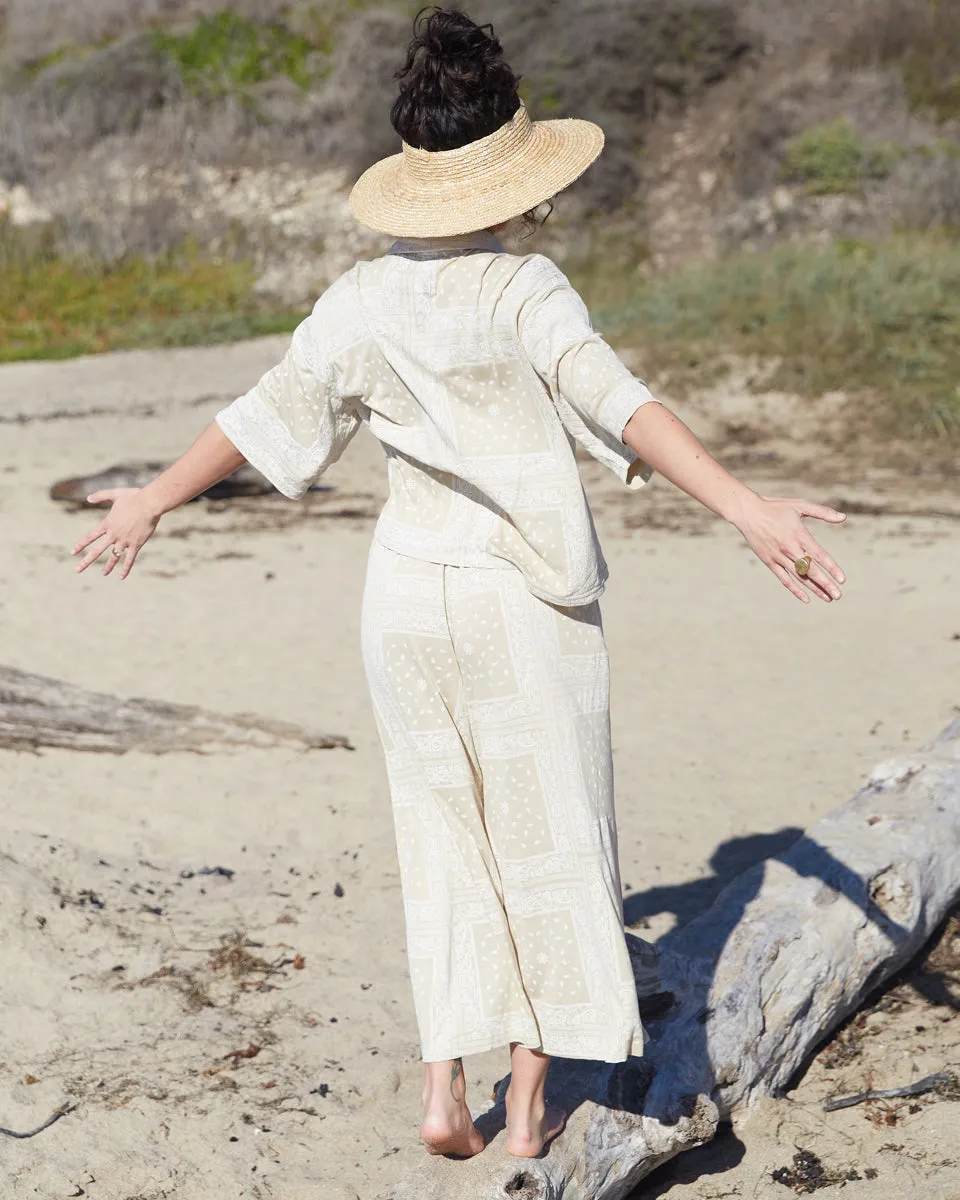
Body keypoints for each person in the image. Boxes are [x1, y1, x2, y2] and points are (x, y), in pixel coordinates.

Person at [71, 6, 846, 1163]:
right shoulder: (526, 289)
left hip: (404, 603)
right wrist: (747, 507)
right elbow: (620, 404)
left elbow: (258, 419)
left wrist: (148, 499)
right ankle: (527, 1106)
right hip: (519, 606)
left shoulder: (359, 301)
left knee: (440, 839)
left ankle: (443, 1089)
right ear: (514, 170)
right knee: (550, 840)